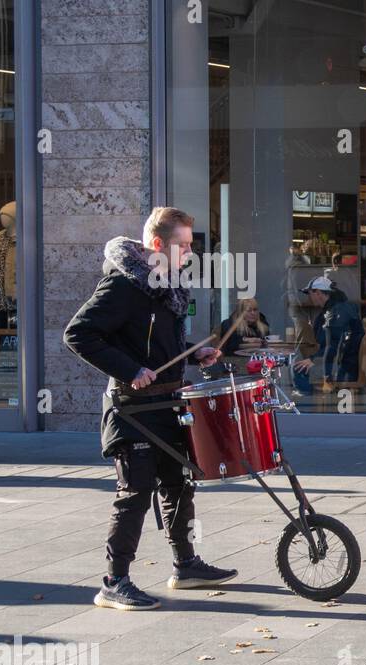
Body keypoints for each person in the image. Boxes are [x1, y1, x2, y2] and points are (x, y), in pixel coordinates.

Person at [63, 206, 238, 611]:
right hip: (132, 409)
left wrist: (196, 355)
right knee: (135, 494)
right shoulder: (123, 287)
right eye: (184, 245)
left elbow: (158, 341)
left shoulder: (166, 284)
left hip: (166, 403)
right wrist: (130, 369)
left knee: (179, 484)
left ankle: (186, 564)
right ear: (157, 245)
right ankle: (114, 581)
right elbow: (79, 334)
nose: (190, 253)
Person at [304, 276, 364, 386]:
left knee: (298, 370)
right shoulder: (338, 309)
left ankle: (304, 401)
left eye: (309, 293)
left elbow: (334, 345)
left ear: (318, 293)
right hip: (346, 363)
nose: (308, 298)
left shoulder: (336, 313)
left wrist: (314, 359)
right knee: (302, 364)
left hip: (341, 367)